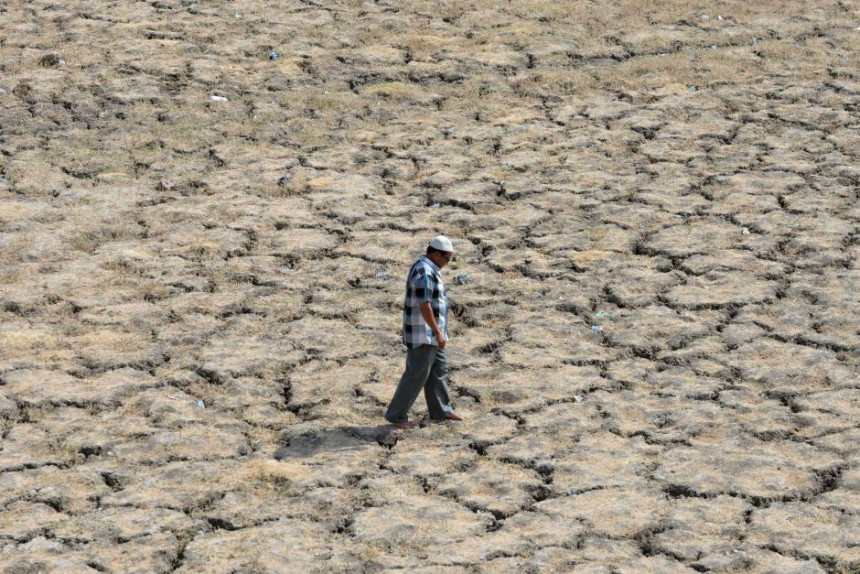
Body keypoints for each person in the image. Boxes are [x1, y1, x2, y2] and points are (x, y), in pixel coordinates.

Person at [385, 235, 463, 429]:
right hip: (424, 334)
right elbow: (424, 305)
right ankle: (397, 415)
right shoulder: (424, 271)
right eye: (447, 259)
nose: (448, 263)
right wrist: (436, 331)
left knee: (439, 370)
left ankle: (440, 410)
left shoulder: (430, 268)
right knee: (416, 374)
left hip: (434, 333)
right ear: (436, 254)